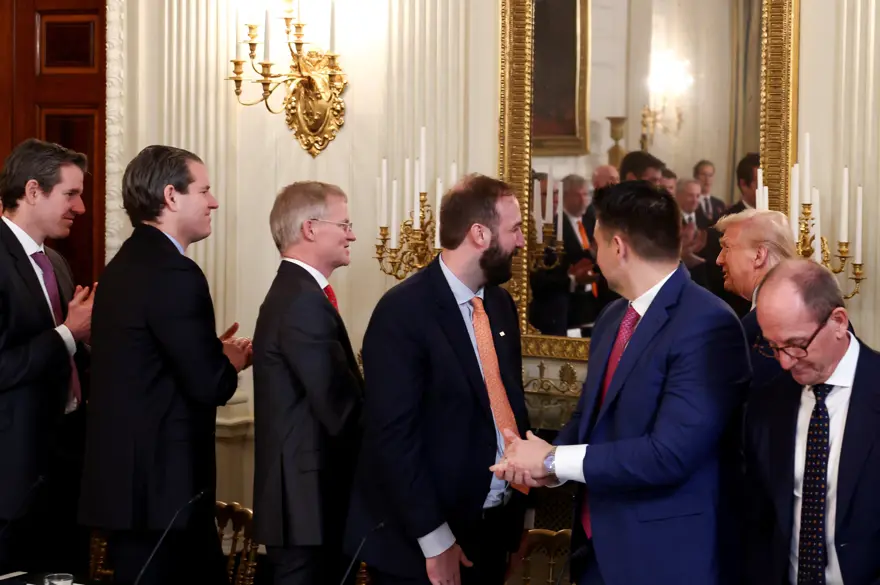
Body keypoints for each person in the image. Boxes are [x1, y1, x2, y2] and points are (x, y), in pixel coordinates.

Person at [491, 181, 751, 584]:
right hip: (596, 545)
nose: (595, 255)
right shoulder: (614, 316)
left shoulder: (708, 323)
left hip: (663, 555)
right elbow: (588, 418)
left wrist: (552, 460)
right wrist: (547, 466)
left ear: (617, 246)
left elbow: (670, 454)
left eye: (596, 243)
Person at [78, 145, 252, 585]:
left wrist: (206, 350)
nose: (214, 202)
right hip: (164, 496)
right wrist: (229, 360)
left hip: (131, 493)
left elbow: (148, 363)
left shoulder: (123, 264)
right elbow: (210, 385)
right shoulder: (175, 272)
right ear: (171, 196)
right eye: (204, 191)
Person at [346, 174, 530, 585]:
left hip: (490, 532)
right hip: (421, 542)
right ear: (479, 234)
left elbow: (509, 410)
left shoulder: (500, 305)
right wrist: (436, 540)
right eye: (515, 229)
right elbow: (392, 438)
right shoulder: (403, 311)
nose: (521, 242)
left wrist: (517, 522)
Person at [252, 181, 363, 585]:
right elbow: (341, 409)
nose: (352, 235)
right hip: (306, 506)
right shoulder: (302, 300)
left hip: (308, 504)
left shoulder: (298, 293)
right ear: (310, 229)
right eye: (345, 224)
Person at [744, 259, 880, 584]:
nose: (785, 362)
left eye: (796, 345)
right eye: (773, 346)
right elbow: (759, 518)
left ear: (838, 321)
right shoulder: (766, 403)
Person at [0, 138, 93, 575]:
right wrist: (68, 333)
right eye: (70, 194)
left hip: (65, 460)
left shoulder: (54, 261)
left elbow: (69, 355)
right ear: (33, 191)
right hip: (13, 474)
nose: (80, 207)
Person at [715, 209, 796, 388]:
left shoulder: (769, 324)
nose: (719, 259)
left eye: (726, 248)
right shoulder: (803, 303)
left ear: (759, 255)